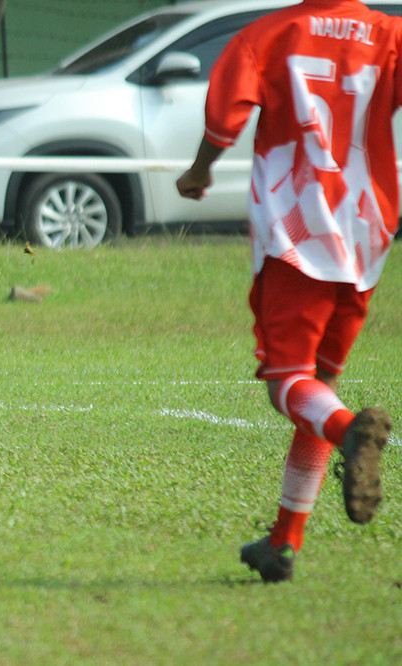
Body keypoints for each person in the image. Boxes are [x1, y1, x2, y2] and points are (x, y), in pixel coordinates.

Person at [176, 0, 398, 582]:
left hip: (297, 233)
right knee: (318, 386)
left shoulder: (269, 34)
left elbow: (225, 116)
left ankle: (352, 431)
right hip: (366, 234)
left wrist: (200, 170)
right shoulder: (390, 34)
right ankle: (283, 542)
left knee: (287, 384)